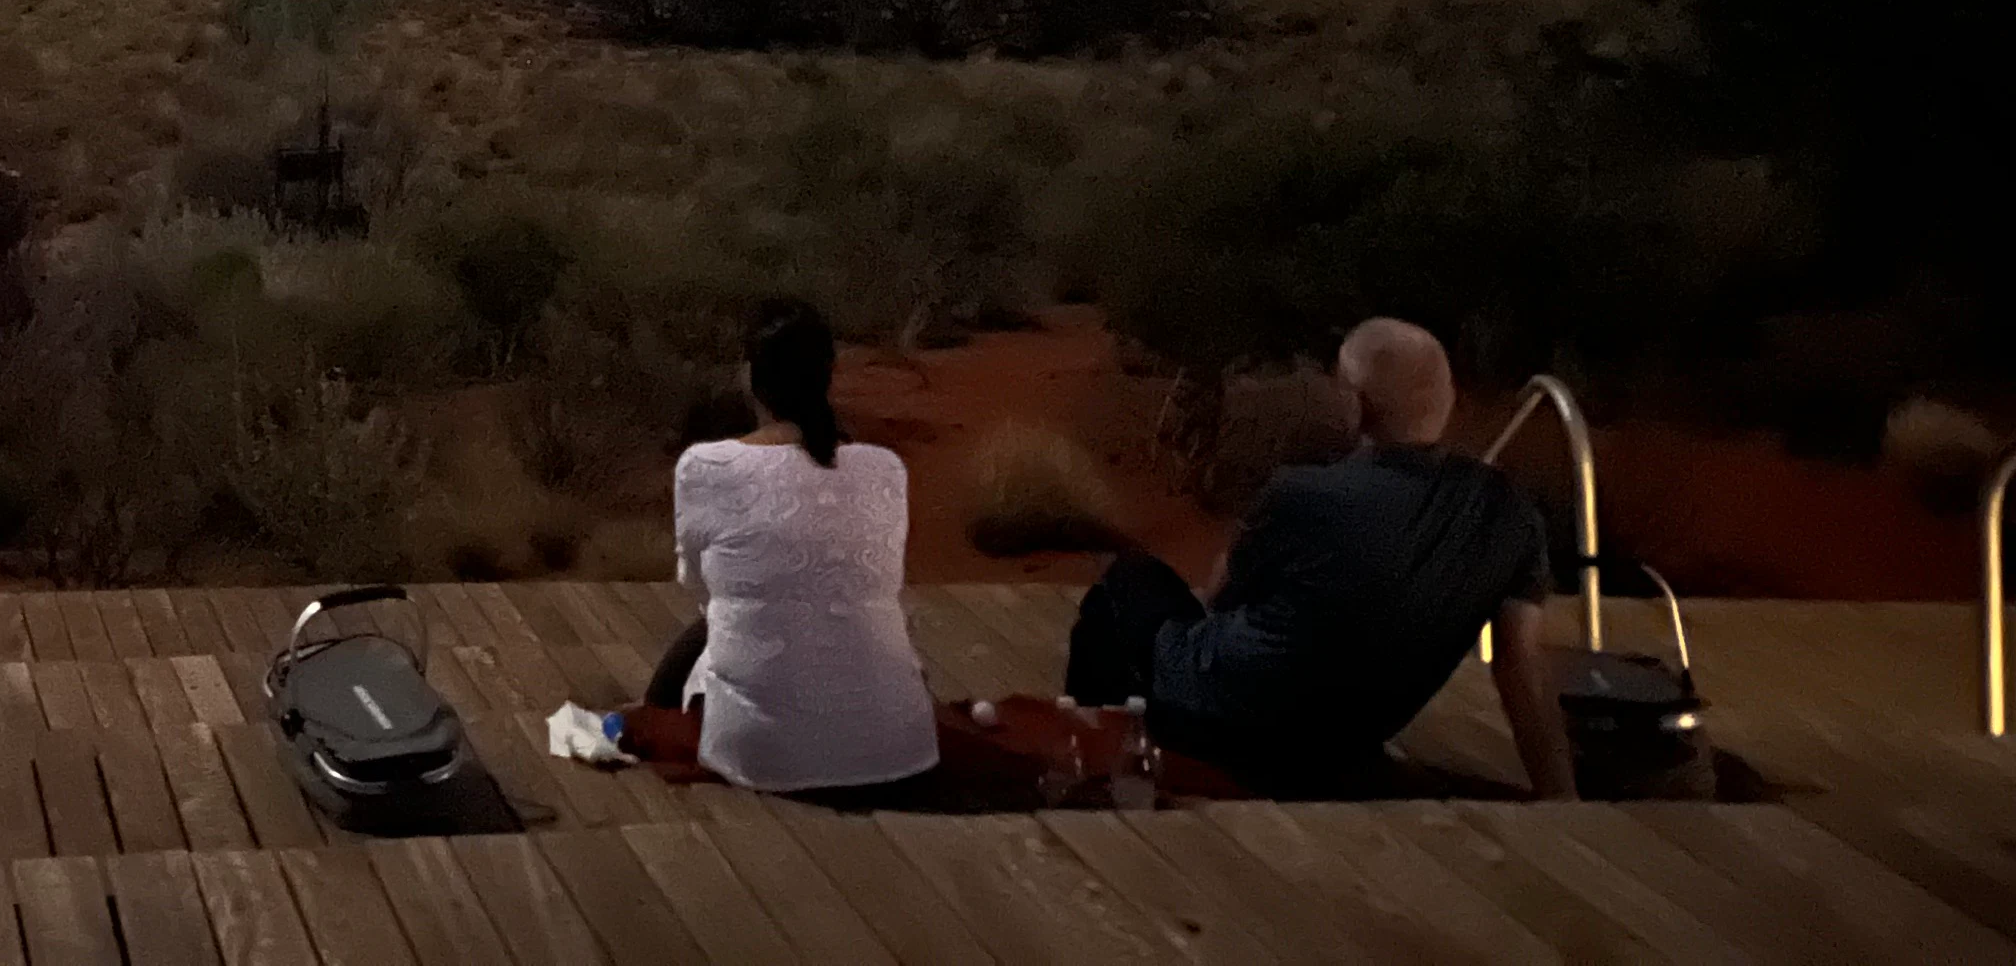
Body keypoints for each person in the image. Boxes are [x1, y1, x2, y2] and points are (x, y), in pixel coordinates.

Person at [1067, 317, 1578, 799]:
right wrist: (1560, 794)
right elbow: (1521, 664)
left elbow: (1222, 598)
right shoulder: (1508, 513)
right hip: (1343, 738)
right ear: (1449, 399)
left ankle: (1088, 761)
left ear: (1353, 405)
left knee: (1125, 588)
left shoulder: (1304, 495)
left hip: (1224, 717)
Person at [647, 299, 940, 797]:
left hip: (762, 754)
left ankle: (652, 716)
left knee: (711, 631)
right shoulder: (885, 468)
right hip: (899, 748)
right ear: (828, 376)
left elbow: (697, 586)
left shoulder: (706, 468)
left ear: (749, 376)